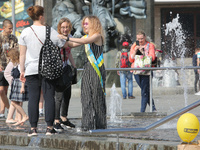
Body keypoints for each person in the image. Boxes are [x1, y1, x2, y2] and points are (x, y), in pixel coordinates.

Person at [19, 5, 68, 136]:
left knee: (33, 98)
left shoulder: (25, 32)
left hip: (31, 69)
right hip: (48, 69)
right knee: (49, 97)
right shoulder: (49, 30)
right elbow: (62, 44)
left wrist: (22, 70)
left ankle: (33, 129)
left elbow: (22, 54)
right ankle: (49, 128)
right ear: (41, 16)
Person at [58, 15, 107, 131]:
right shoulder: (86, 36)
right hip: (87, 69)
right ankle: (87, 125)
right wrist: (59, 38)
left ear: (93, 24)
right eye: (83, 23)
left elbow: (84, 41)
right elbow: (71, 45)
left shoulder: (97, 36)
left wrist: (67, 38)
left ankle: (100, 126)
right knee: (85, 97)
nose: (84, 25)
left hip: (96, 69)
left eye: (86, 23)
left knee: (96, 97)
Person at [54, 18, 76, 132]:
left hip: (66, 69)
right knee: (58, 96)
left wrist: (74, 66)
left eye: (67, 27)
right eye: (63, 27)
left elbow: (69, 53)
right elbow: (68, 45)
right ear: (59, 28)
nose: (65, 29)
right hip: (57, 70)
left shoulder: (69, 36)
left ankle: (64, 117)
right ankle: (56, 120)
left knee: (67, 94)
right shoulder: (58, 38)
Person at [129, 30, 157, 112]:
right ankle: (153, 108)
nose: (140, 41)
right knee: (145, 90)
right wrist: (135, 51)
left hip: (146, 71)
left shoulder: (150, 45)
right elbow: (131, 60)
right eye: (138, 39)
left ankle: (142, 111)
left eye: (141, 38)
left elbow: (152, 57)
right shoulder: (134, 45)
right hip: (136, 71)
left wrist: (143, 52)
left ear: (145, 37)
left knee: (144, 91)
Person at [0, 19, 18, 118]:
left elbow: (16, 50)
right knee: (1, 90)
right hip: (1, 66)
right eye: (9, 28)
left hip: (10, 66)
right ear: (4, 28)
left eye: (12, 28)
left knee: (6, 90)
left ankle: (2, 112)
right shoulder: (0, 37)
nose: (11, 30)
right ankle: (9, 107)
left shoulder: (14, 38)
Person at [6, 49, 29, 126]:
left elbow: (23, 76)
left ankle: (25, 116)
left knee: (14, 102)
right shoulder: (16, 64)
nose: (9, 59)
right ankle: (19, 119)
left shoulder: (20, 65)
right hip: (16, 83)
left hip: (20, 83)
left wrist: (23, 87)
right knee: (18, 102)